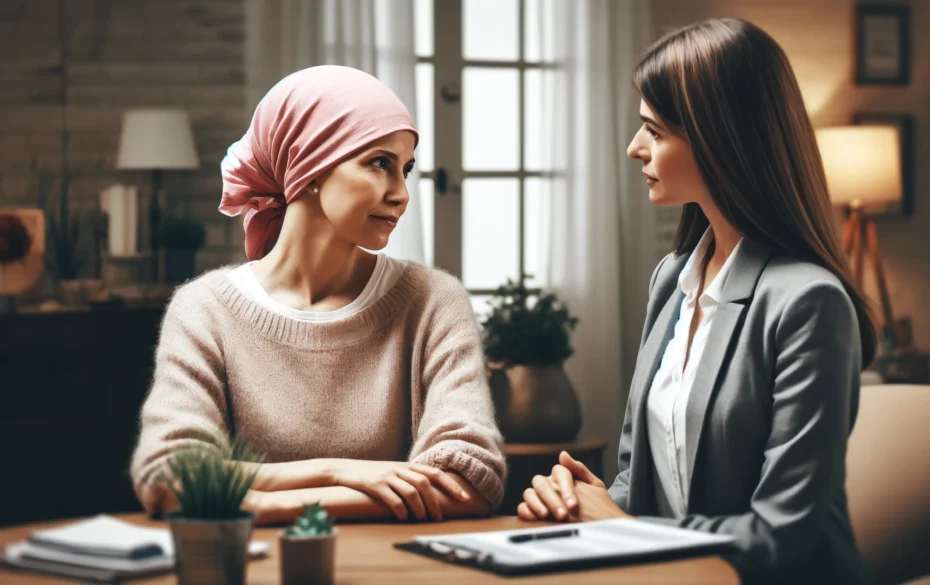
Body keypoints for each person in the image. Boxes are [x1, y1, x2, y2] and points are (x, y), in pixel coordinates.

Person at [517, 18, 876, 585]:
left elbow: (783, 537)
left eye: (654, 132)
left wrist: (619, 526)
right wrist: (577, 500)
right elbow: (638, 483)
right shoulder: (672, 279)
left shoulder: (809, 303)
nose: (635, 149)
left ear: (720, 140)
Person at [130, 65, 505, 525]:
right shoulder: (204, 309)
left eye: (405, 169)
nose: (402, 193)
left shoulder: (433, 301)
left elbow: (469, 480)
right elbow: (170, 478)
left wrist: (255, 500)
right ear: (308, 167)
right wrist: (339, 473)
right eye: (380, 163)